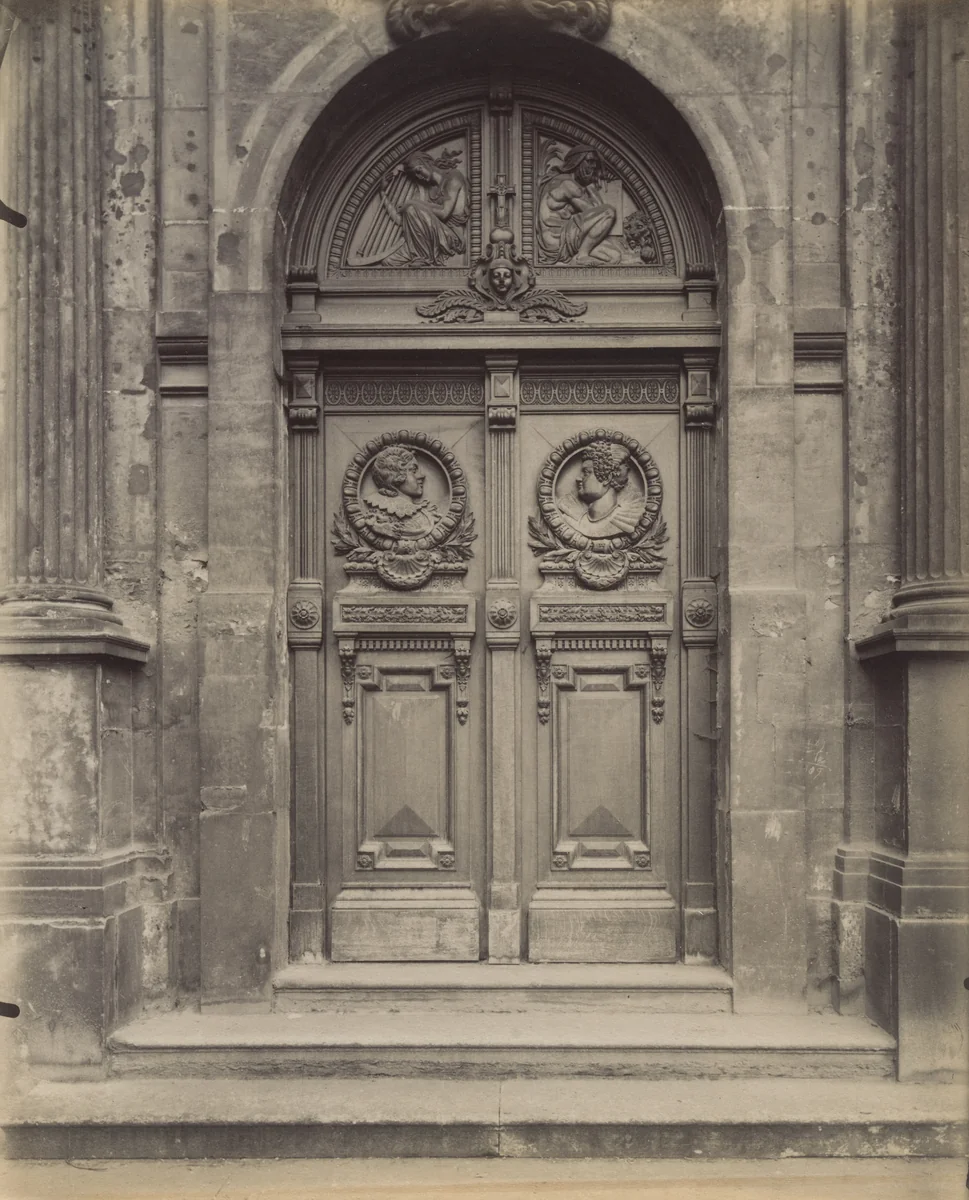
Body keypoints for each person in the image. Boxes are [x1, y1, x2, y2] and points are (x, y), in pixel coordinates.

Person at [380, 151, 468, 267]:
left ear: (426, 163)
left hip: (450, 237)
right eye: (415, 175)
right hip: (427, 237)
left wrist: (413, 203)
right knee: (388, 262)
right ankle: (421, 254)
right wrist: (383, 194)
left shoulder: (453, 178)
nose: (419, 177)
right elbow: (404, 220)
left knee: (411, 208)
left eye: (418, 170)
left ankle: (424, 257)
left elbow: (444, 213)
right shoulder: (429, 191)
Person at [537, 145, 621, 266]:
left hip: (569, 239)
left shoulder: (572, 183)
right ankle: (582, 256)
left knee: (615, 256)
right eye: (590, 161)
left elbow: (598, 223)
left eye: (595, 163)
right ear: (577, 162)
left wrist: (588, 185)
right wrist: (590, 186)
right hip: (558, 240)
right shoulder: (567, 183)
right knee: (609, 212)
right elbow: (598, 213)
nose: (593, 167)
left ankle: (582, 259)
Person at [556, 441, 645, 538]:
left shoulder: (627, 520)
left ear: (606, 478)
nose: (578, 478)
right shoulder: (571, 520)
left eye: (586, 473)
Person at [363, 445, 439, 539]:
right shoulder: (379, 515)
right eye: (413, 470)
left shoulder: (422, 513)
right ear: (396, 476)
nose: (421, 476)